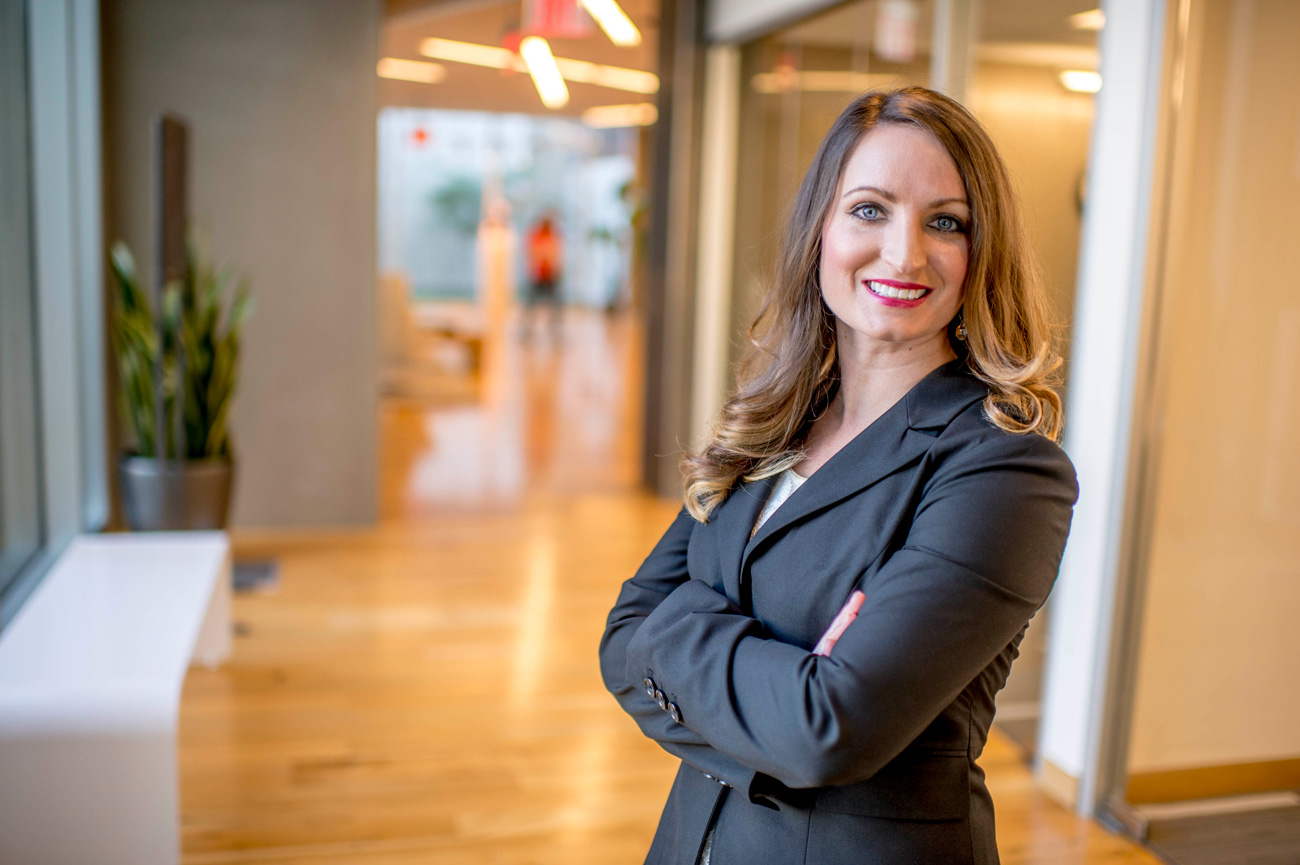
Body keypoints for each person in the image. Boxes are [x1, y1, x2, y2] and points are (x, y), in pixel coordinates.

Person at [598, 87, 1078, 865]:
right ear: (820, 228)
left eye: (945, 222)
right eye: (870, 209)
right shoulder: (777, 418)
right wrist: (776, 695)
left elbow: (829, 727)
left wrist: (682, 630)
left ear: (979, 254)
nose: (905, 253)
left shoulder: (1005, 470)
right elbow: (623, 634)